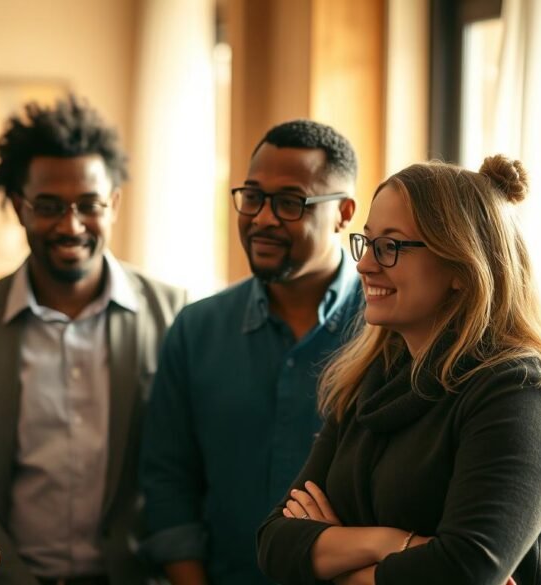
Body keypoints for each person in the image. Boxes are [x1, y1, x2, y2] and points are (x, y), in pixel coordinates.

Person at [256, 156, 541, 584]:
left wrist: (334, 557)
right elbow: (274, 543)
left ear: (461, 267)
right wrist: (390, 543)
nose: (364, 265)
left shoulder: (521, 394)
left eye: (391, 246)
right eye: (367, 243)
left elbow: (462, 571)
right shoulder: (373, 378)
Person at [0, 94, 187, 585]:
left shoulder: (174, 315)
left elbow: (186, 471)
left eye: (89, 205)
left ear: (114, 204)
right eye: (48, 206)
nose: (70, 225)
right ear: (19, 206)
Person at [140, 120, 361, 585]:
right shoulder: (197, 329)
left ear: (343, 212)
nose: (262, 218)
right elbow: (167, 481)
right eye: (253, 196)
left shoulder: (389, 330)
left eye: (288, 202)